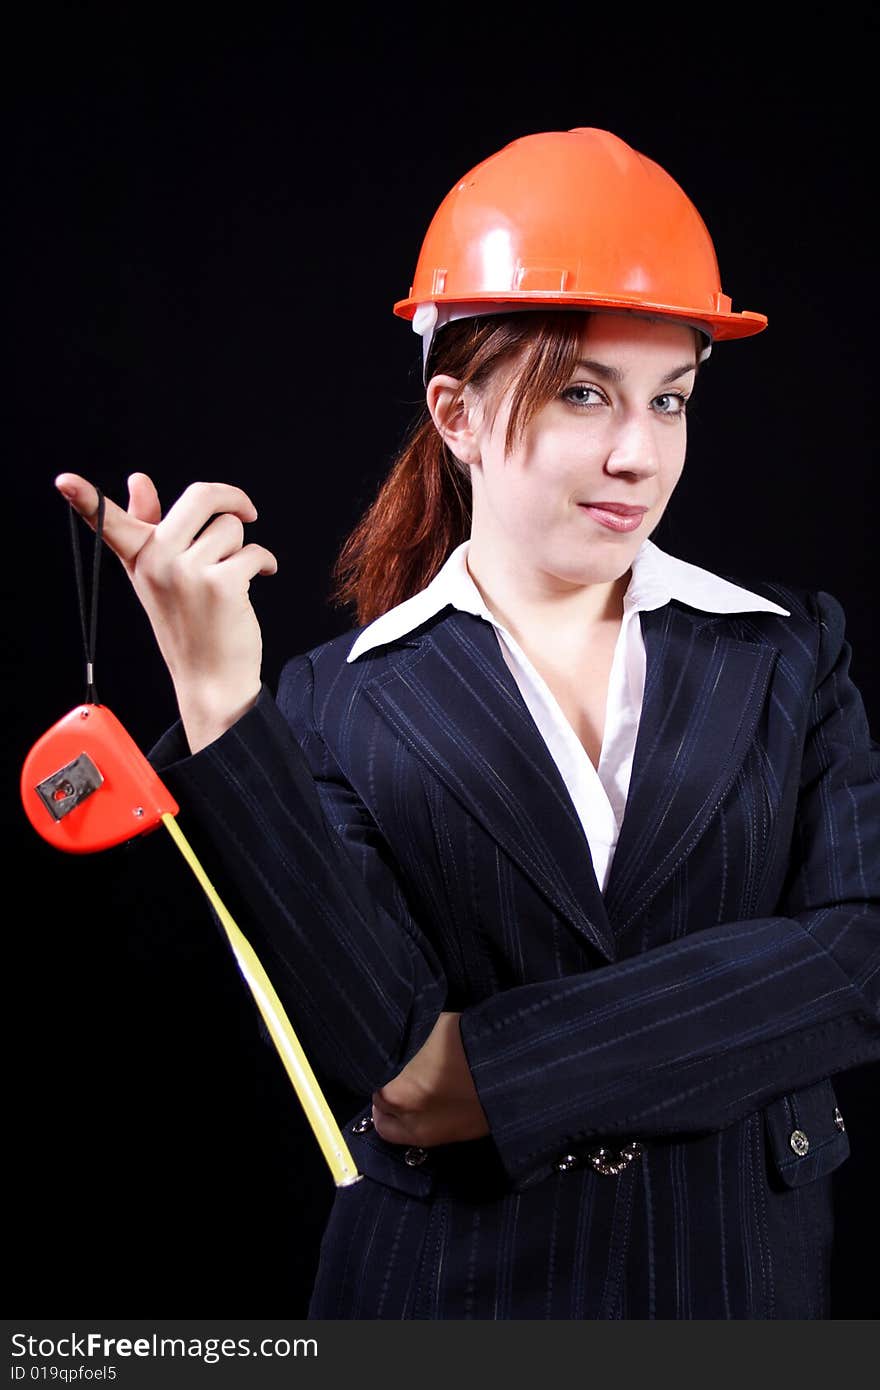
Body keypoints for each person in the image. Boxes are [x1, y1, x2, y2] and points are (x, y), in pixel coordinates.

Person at [55, 127, 879, 1319]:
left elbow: (859, 963)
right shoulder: (334, 700)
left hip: (736, 1287)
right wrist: (218, 697)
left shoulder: (791, 651)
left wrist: (494, 1067)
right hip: (449, 1301)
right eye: (584, 393)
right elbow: (381, 1062)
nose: (637, 453)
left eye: (672, 399)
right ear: (454, 409)